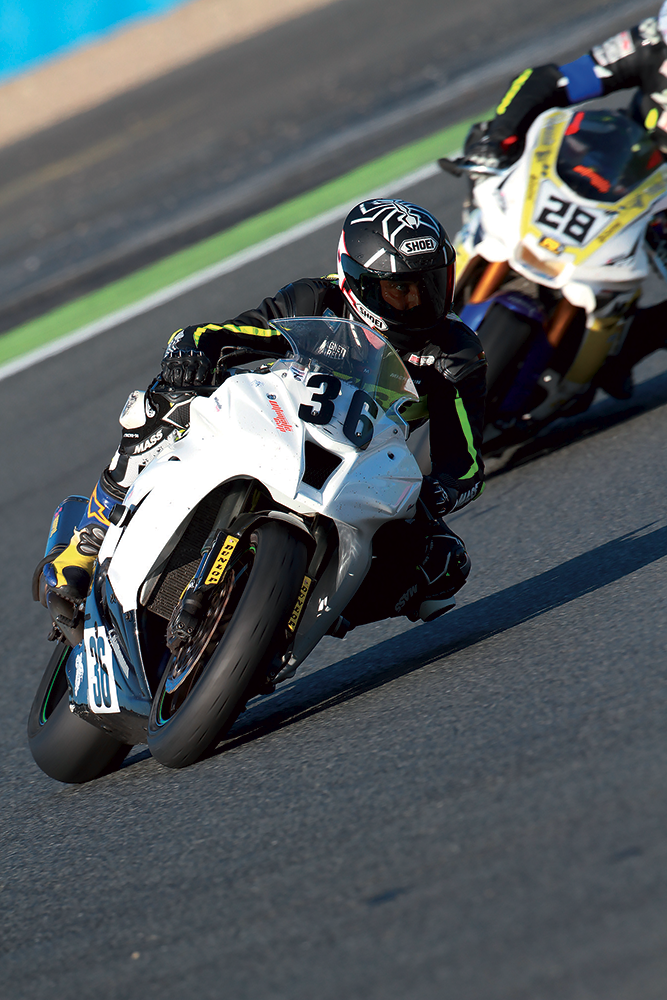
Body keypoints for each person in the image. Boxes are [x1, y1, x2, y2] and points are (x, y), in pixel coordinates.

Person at [38, 199, 487, 627]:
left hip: (358, 466)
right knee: (165, 397)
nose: (418, 302)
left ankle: (293, 614)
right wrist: (195, 346)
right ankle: (88, 539)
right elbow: (234, 333)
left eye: (432, 284)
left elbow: (463, 463)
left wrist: (437, 496)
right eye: (401, 289)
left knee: (444, 566)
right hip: (273, 423)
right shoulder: (315, 300)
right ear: (360, 283)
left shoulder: (456, 353)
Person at [462, 3, 667, 399]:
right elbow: (549, 82)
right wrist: (500, 136)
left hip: (661, 200)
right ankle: (467, 241)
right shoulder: (650, 41)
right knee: (486, 138)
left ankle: (623, 352)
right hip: (626, 159)